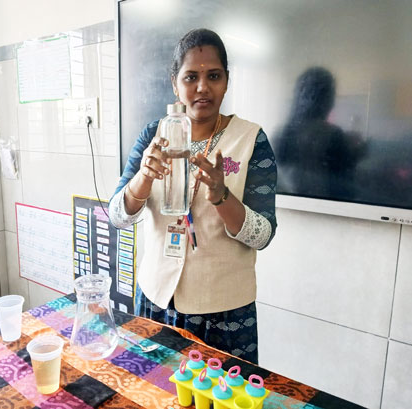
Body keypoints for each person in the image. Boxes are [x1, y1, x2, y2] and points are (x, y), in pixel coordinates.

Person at [109, 28, 277, 364]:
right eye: (191, 77)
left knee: (220, 391)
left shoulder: (251, 140)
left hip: (224, 314)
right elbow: (117, 216)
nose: (202, 87)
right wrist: (144, 177)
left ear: (226, 81)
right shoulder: (153, 134)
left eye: (213, 76)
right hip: (156, 300)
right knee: (153, 387)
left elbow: (263, 235)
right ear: (175, 84)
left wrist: (221, 196)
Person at [274, 66, 366, 200]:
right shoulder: (333, 135)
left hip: (285, 208)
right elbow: (346, 189)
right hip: (326, 210)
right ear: (327, 99)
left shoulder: (281, 133)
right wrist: (357, 154)